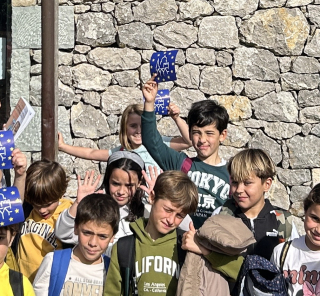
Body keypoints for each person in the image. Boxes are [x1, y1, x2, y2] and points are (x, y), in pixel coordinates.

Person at [141, 78, 231, 229]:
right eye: (196, 133)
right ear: (189, 133)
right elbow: (151, 140)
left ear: (222, 135)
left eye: (209, 133)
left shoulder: (232, 173)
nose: (202, 140)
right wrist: (149, 103)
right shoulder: (181, 164)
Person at [103, 170, 199, 296]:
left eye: (179, 215)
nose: (171, 220)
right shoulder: (124, 247)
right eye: (168, 210)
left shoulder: (186, 245)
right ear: (152, 197)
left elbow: (231, 269)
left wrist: (203, 250)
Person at [54, 151, 149, 252]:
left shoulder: (145, 211)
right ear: (108, 179)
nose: (121, 191)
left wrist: (155, 205)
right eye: (116, 184)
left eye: (129, 185)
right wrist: (79, 203)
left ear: (139, 182)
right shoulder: (96, 205)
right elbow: (62, 233)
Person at [215, 148, 298, 260]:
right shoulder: (221, 215)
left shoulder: (284, 221)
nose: (239, 189)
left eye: (247, 183)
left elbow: (294, 262)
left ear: (267, 184)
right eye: (235, 182)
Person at [58, 103, 191, 171]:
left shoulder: (159, 144)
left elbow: (188, 141)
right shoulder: (122, 153)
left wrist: (177, 118)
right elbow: (91, 153)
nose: (139, 131)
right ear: (124, 129)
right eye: (133, 126)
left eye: (143, 125)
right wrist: (63, 146)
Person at [34, 193, 120, 296]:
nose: (93, 243)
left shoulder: (113, 271)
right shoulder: (52, 262)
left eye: (102, 236)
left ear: (112, 237)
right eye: (87, 233)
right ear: (75, 228)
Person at [15, 160, 73, 279]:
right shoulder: (27, 209)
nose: (42, 210)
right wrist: (20, 175)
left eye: (48, 204)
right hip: (23, 282)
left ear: (61, 193)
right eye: (37, 205)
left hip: (49, 283)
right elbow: (14, 201)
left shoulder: (67, 213)